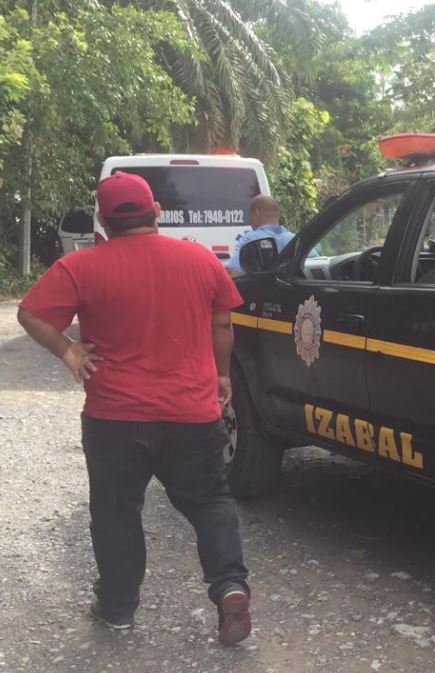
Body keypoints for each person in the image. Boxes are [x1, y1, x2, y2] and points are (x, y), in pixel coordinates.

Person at [16, 171, 252, 645]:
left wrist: (69, 352)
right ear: (157, 212)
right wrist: (222, 373)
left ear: (103, 220)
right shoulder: (200, 258)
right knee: (209, 503)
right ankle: (229, 587)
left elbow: (30, 312)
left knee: (117, 510)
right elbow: (222, 322)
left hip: (114, 418)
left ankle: (119, 607)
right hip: (191, 413)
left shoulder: (83, 266)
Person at [226, 194, 293, 273]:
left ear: (256, 213)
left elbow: (232, 270)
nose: (250, 223)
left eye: (250, 217)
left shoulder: (249, 239)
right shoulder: (293, 238)